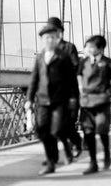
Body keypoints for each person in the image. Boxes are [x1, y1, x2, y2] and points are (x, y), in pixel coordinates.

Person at [25, 24, 78, 175]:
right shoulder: (40, 57)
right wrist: (29, 98)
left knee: (57, 130)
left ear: (57, 39)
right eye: (46, 38)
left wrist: (73, 99)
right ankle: (51, 161)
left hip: (60, 100)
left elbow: (72, 80)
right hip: (42, 101)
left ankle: (64, 150)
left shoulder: (64, 57)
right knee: (42, 131)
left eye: (52, 37)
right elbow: (34, 79)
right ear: (42, 40)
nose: (49, 40)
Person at [78, 35, 111, 174]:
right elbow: (78, 75)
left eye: (92, 46)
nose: (89, 49)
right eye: (88, 47)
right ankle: (93, 162)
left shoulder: (108, 63)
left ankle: (107, 153)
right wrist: (80, 88)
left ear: (101, 48)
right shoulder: (83, 62)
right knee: (89, 132)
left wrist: (109, 93)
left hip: (102, 101)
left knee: (102, 129)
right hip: (86, 102)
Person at [46, 17, 82, 159]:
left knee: (67, 124)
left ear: (60, 32)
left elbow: (75, 67)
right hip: (52, 95)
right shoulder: (46, 50)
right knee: (51, 127)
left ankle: (76, 141)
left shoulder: (69, 47)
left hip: (69, 93)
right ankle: (53, 158)